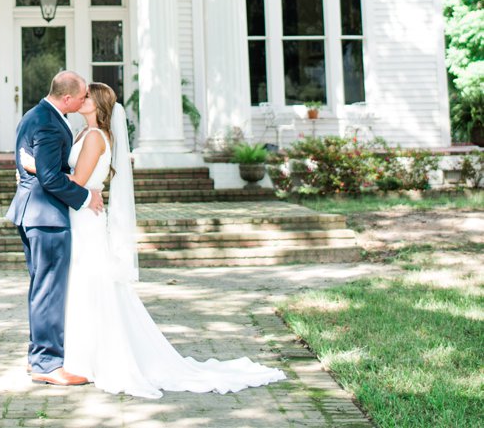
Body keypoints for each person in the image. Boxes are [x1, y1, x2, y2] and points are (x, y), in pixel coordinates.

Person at [21, 82, 287, 399]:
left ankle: (86, 357)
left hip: (83, 218)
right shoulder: (82, 133)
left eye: (88, 96)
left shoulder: (94, 137)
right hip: (78, 214)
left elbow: (77, 181)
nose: (82, 99)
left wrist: (36, 165)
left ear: (99, 105)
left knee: (88, 283)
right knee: (78, 285)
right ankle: (70, 355)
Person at [5, 70, 105, 387]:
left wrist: (34, 167)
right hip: (45, 216)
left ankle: (38, 358)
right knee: (48, 290)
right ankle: (47, 363)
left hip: (33, 213)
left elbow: (39, 166)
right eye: (80, 97)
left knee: (41, 289)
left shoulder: (37, 115)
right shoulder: (48, 121)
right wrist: (85, 196)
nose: (82, 101)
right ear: (66, 98)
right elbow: (49, 177)